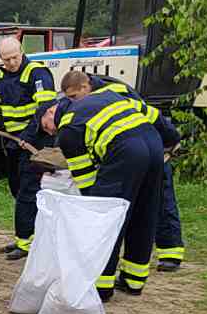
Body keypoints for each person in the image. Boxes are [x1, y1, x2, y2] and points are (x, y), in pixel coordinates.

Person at [55, 68, 179, 300]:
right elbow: (153, 115)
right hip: (153, 145)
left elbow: (86, 180)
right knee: (144, 213)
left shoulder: (69, 129)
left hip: (125, 151)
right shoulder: (112, 94)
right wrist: (172, 140)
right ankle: (134, 281)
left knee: (106, 220)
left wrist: (93, 209)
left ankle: (101, 287)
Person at [0, 36, 58, 260]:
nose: (11, 63)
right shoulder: (1, 76)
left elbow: (45, 108)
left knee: (27, 191)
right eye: (6, 60)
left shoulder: (38, 73)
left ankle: (25, 242)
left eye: (14, 57)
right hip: (14, 142)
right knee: (16, 187)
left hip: (35, 142)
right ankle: (30, 236)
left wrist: (28, 136)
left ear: (22, 52)